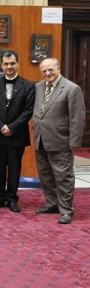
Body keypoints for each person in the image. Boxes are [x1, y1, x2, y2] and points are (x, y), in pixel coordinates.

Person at [32, 58, 86, 224]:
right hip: (40, 139)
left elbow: (77, 117)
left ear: (58, 68)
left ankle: (66, 210)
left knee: (63, 177)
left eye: (50, 69)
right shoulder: (38, 87)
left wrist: (74, 142)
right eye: (44, 71)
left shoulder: (71, 88)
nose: (47, 73)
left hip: (61, 140)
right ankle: (52, 204)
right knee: (46, 175)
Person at [0, 50, 35, 212]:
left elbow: (28, 111)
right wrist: (1, 126)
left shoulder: (28, 86)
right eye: (6, 64)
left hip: (17, 134)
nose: (9, 66)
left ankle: (12, 198)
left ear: (17, 64)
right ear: (1, 66)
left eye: (12, 63)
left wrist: (12, 127)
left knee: (15, 168)